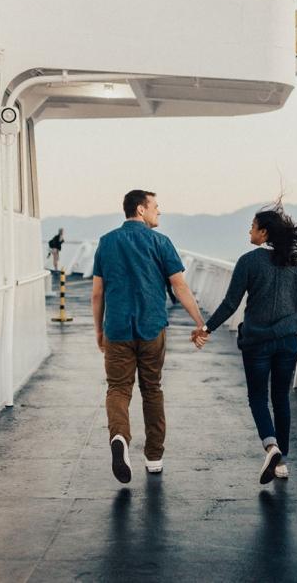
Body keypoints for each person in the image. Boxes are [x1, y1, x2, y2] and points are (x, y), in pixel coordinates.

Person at [191, 206, 297, 484]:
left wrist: (206, 328)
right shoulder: (294, 263)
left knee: (258, 398)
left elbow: (230, 303)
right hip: (287, 342)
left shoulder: (249, 261)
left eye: (252, 226)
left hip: (257, 342)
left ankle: (271, 446)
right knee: (281, 398)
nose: (249, 231)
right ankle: (281, 461)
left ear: (264, 233)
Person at [92, 190, 206, 484]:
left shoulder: (106, 242)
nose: (159, 211)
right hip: (152, 326)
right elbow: (180, 286)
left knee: (118, 389)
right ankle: (154, 456)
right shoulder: (161, 242)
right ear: (141, 210)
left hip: (117, 329)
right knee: (152, 389)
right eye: (155, 206)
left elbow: (97, 293)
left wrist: (99, 330)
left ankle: (119, 437)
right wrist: (199, 322)